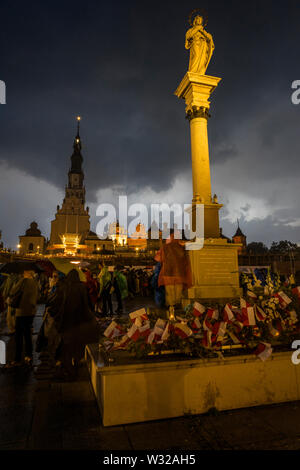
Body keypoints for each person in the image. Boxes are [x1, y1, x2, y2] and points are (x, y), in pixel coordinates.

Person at [49, 269, 100, 380]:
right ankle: (75, 365)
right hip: (79, 321)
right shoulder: (82, 287)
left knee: (66, 347)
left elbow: (56, 303)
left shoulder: (64, 287)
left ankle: (69, 370)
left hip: (67, 321)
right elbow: (87, 305)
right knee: (77, 346)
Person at [8, 270, 39, 367]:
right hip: (31, 311)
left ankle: (17, 358)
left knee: (18, 336)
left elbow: (13, 291)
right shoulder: (35, 282)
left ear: (26, 273)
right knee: (27, 335)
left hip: (21, 311)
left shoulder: (23, 281)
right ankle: (28, 356)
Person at [155, 230, 192, 309]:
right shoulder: (182, 248)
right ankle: (177, 311)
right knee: (178, 295)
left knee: (169, 295)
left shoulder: (165, 247)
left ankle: (171, 312)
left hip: (168, 275)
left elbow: (158, 258)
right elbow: (186, 263)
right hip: (180, 275)